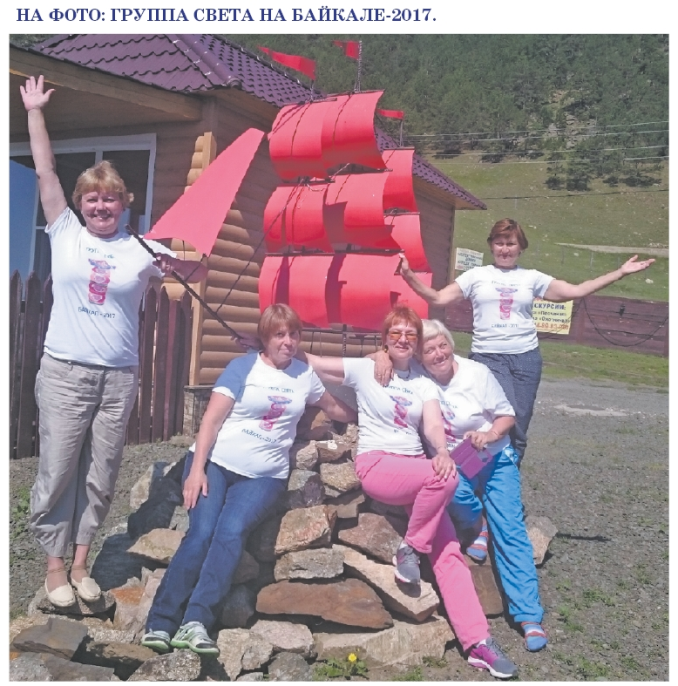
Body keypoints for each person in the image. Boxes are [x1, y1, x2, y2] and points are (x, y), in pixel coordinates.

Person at [21, 75, 208, 609]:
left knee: (101, 474)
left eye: (110, 199)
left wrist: (181, 266)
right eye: (92, 198)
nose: (100, 206)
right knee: (58, 469)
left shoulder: (143, 249)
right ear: (80, 203)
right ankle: (54, 567)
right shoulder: (64, 231)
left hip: (119, 377)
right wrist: (34, 111)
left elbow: (198, 272)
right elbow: (45, 170)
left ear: (125, 203)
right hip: (65, 372)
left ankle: (82, 564)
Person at [299, 305, 518, 680]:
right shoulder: (367, 368)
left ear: (416, 342)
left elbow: (432, 425)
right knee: (445, 479)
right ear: (384, 338)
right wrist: (268, 343)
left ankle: (478, 641)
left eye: (410, 334)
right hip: (378, 465)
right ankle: (411, 550)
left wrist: (443, 450)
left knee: (449, 553)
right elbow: (315, 363)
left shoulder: (423, 382)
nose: (403, 339)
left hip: (418, 472)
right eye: (395, 333)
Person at [141, 304, 357, 656]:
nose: (288, 342)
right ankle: (160, 621)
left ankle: (196, 621)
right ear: (265, 338)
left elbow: (336, 408)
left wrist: (375, 413)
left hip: (264, 476)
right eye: (279, 335)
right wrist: (195, 470)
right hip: (216, 464)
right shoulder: (242, 367)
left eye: (294, 334)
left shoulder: (304, 375)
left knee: (230, 532)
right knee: (201, 532)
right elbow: (211, 421)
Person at [399, 218, 655, 462]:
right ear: (491, 245)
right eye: (499, 243)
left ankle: (509, 478)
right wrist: (409, 276)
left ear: (520, 247)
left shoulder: (532, 277)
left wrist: (620, 272)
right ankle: (477, 475)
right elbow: (438, 298)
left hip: (525, 358)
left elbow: (575, 291)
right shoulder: (475, 276)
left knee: (519, 424)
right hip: (488, 357)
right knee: (494, 418)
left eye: (511, 243)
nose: (505, 249)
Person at [419, 320, 548, 652]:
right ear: (420, 356)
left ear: (451, 345)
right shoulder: (418, 380)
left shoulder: (476, 373)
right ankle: (478, 524)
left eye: (442, 345)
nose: (438, 354)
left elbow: (507, 416)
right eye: (429, 349)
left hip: (494, 457)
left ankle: (529, 616)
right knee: (449, 488)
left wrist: (489, 434)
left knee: (511, 529)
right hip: (455, 461)